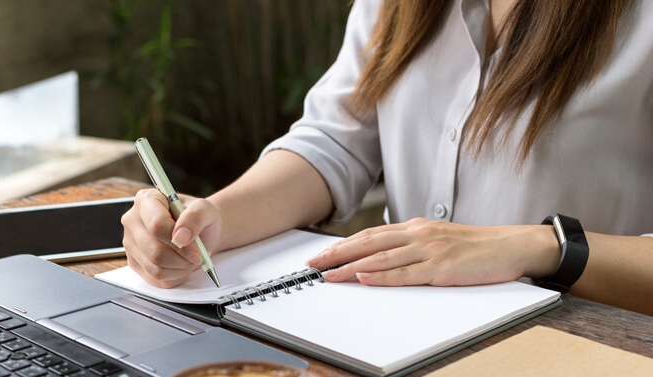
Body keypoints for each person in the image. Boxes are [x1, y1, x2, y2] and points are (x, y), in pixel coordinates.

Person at [121, 0, 653, 316]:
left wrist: (539, 246)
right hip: (391, 329)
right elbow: (334, 142)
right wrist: (214, 220)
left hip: (577, 345)